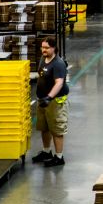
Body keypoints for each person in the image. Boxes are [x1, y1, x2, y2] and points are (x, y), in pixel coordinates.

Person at [33, 36, 69, 167]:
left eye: (47, 48)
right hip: (42, 100)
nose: (44, 50)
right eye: (42, 47)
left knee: (57, 130)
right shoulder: (43, 59)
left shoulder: (58, 64)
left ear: (54, 48)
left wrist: (49, 97)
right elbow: (41, 75)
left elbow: (59, 83)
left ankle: (59, 157)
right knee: (44, 128)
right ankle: (46, 151)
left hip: (55, 102)